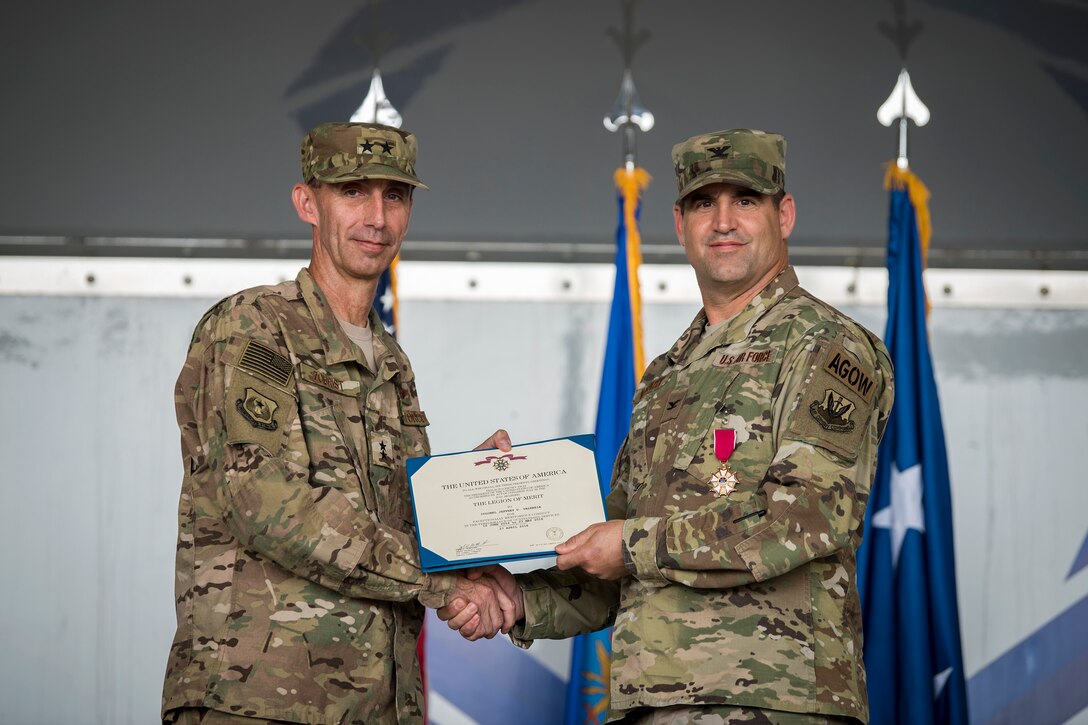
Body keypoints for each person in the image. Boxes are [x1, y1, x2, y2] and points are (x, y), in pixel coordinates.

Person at [440, 129, 895, 724]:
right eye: (705, 203)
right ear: (680, 225)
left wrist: (630, 545)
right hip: (649, 702)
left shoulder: (825, 346)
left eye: (746, 200)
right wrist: (515, 600)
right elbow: (612, 569)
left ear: (783, 215)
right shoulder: (669, 375)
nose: (724, 221)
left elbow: (805, 517)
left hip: (767, 701)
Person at [161, 122, 516, 725]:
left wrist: (466, 494)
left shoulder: (390, 363)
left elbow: (384, 516)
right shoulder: (255, 328)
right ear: (308, 203)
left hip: (377, 704)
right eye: (353, 191)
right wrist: (439, 584)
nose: (376, 217)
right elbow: (266, 501)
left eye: (394, 196)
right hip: (258, 701)